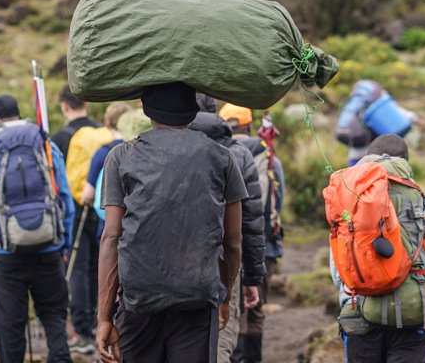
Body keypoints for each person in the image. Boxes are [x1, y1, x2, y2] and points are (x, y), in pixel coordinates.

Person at [95, 83, 245, 363]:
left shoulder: (121, 156)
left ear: (145, 109)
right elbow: (233, 242)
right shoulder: (222, 157)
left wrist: (104, 316)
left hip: (138, 302)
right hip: (198, 300)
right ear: (193, 111)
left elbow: (112, 238)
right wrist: (224, 297)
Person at [0, 94, 76, 363]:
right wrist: (63, 244)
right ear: (19, 115)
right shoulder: (46, 146)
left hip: (5, 256)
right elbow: (65, 201)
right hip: (49, 250)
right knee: (54, 319)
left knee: (10, 330)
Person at [330, 134, 425, 362]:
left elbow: (339, 274)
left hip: (360, 315)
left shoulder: (349, 203)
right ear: (406, 164)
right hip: (414, 314)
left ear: (367, 161)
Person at [189, 112, 265, 363]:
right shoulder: (239, 154)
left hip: (174, 262)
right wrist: (252, 278)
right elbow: (251, 223)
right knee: (220, 338)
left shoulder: (171, 149)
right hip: (223, 265)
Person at [224, 105, 286, 363]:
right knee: (256, 308)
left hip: (228, 246)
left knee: (232, 308)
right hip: (264, 246)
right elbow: (278, 201)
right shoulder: (270, 159)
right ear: (248, 126)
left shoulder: (219, 153)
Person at [56, 87, 112, 353]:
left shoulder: (60, 138)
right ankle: (98, 321)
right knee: (97, 266)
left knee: (78, 267)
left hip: (75, 208)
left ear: (64, 107)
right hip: (104, 207)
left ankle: (81, 327)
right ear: (86, 103)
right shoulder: (103, 132)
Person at [334, 80, 425, 166]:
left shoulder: (355, 103)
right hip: (373, 156)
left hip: (354, 154)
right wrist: (413, 117)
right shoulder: (380, 97)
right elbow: (394, 111)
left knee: (354, 179)